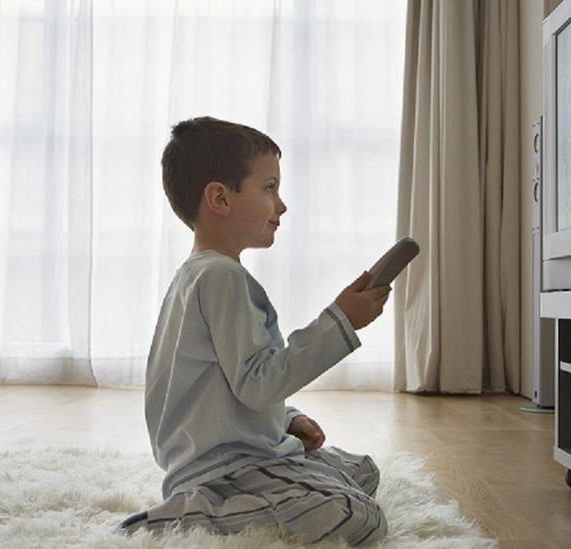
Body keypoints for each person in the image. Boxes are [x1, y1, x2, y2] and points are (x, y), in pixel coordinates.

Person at [119, 116, 391, 546]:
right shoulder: (219, 278)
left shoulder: (203, 276)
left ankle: (270, 488)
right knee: (359, 515)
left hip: (245, 453)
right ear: (220, 199)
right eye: (269, 188)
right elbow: (257, 382)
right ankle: (188, 515)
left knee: (363, 471)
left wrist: (286, 419)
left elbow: (222, 388)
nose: (281, 204)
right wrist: (340, 320)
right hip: (225, 470)